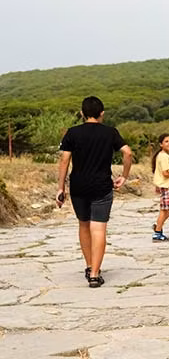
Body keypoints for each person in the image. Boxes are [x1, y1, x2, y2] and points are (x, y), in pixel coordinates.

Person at [57, 96, 133, 288]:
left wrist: (60, 187)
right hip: (102, 186)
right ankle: (95, 274)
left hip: (78, 187)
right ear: (102, 114)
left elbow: (64, 160)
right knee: (98, 228)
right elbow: (128, 152)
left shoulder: (72, 133)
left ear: (82, 113)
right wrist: (124, 175)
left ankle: (89, 265)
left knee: (84, 225)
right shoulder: (110, 132)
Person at [151, 133, 169, 242]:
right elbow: (165, 173)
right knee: (163, 210)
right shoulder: (164, 156)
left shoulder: (162, 155)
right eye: (166, 141)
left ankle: (158, 225)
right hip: (165, 186)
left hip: (166, 186)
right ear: (161, 144)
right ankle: (158, 232)